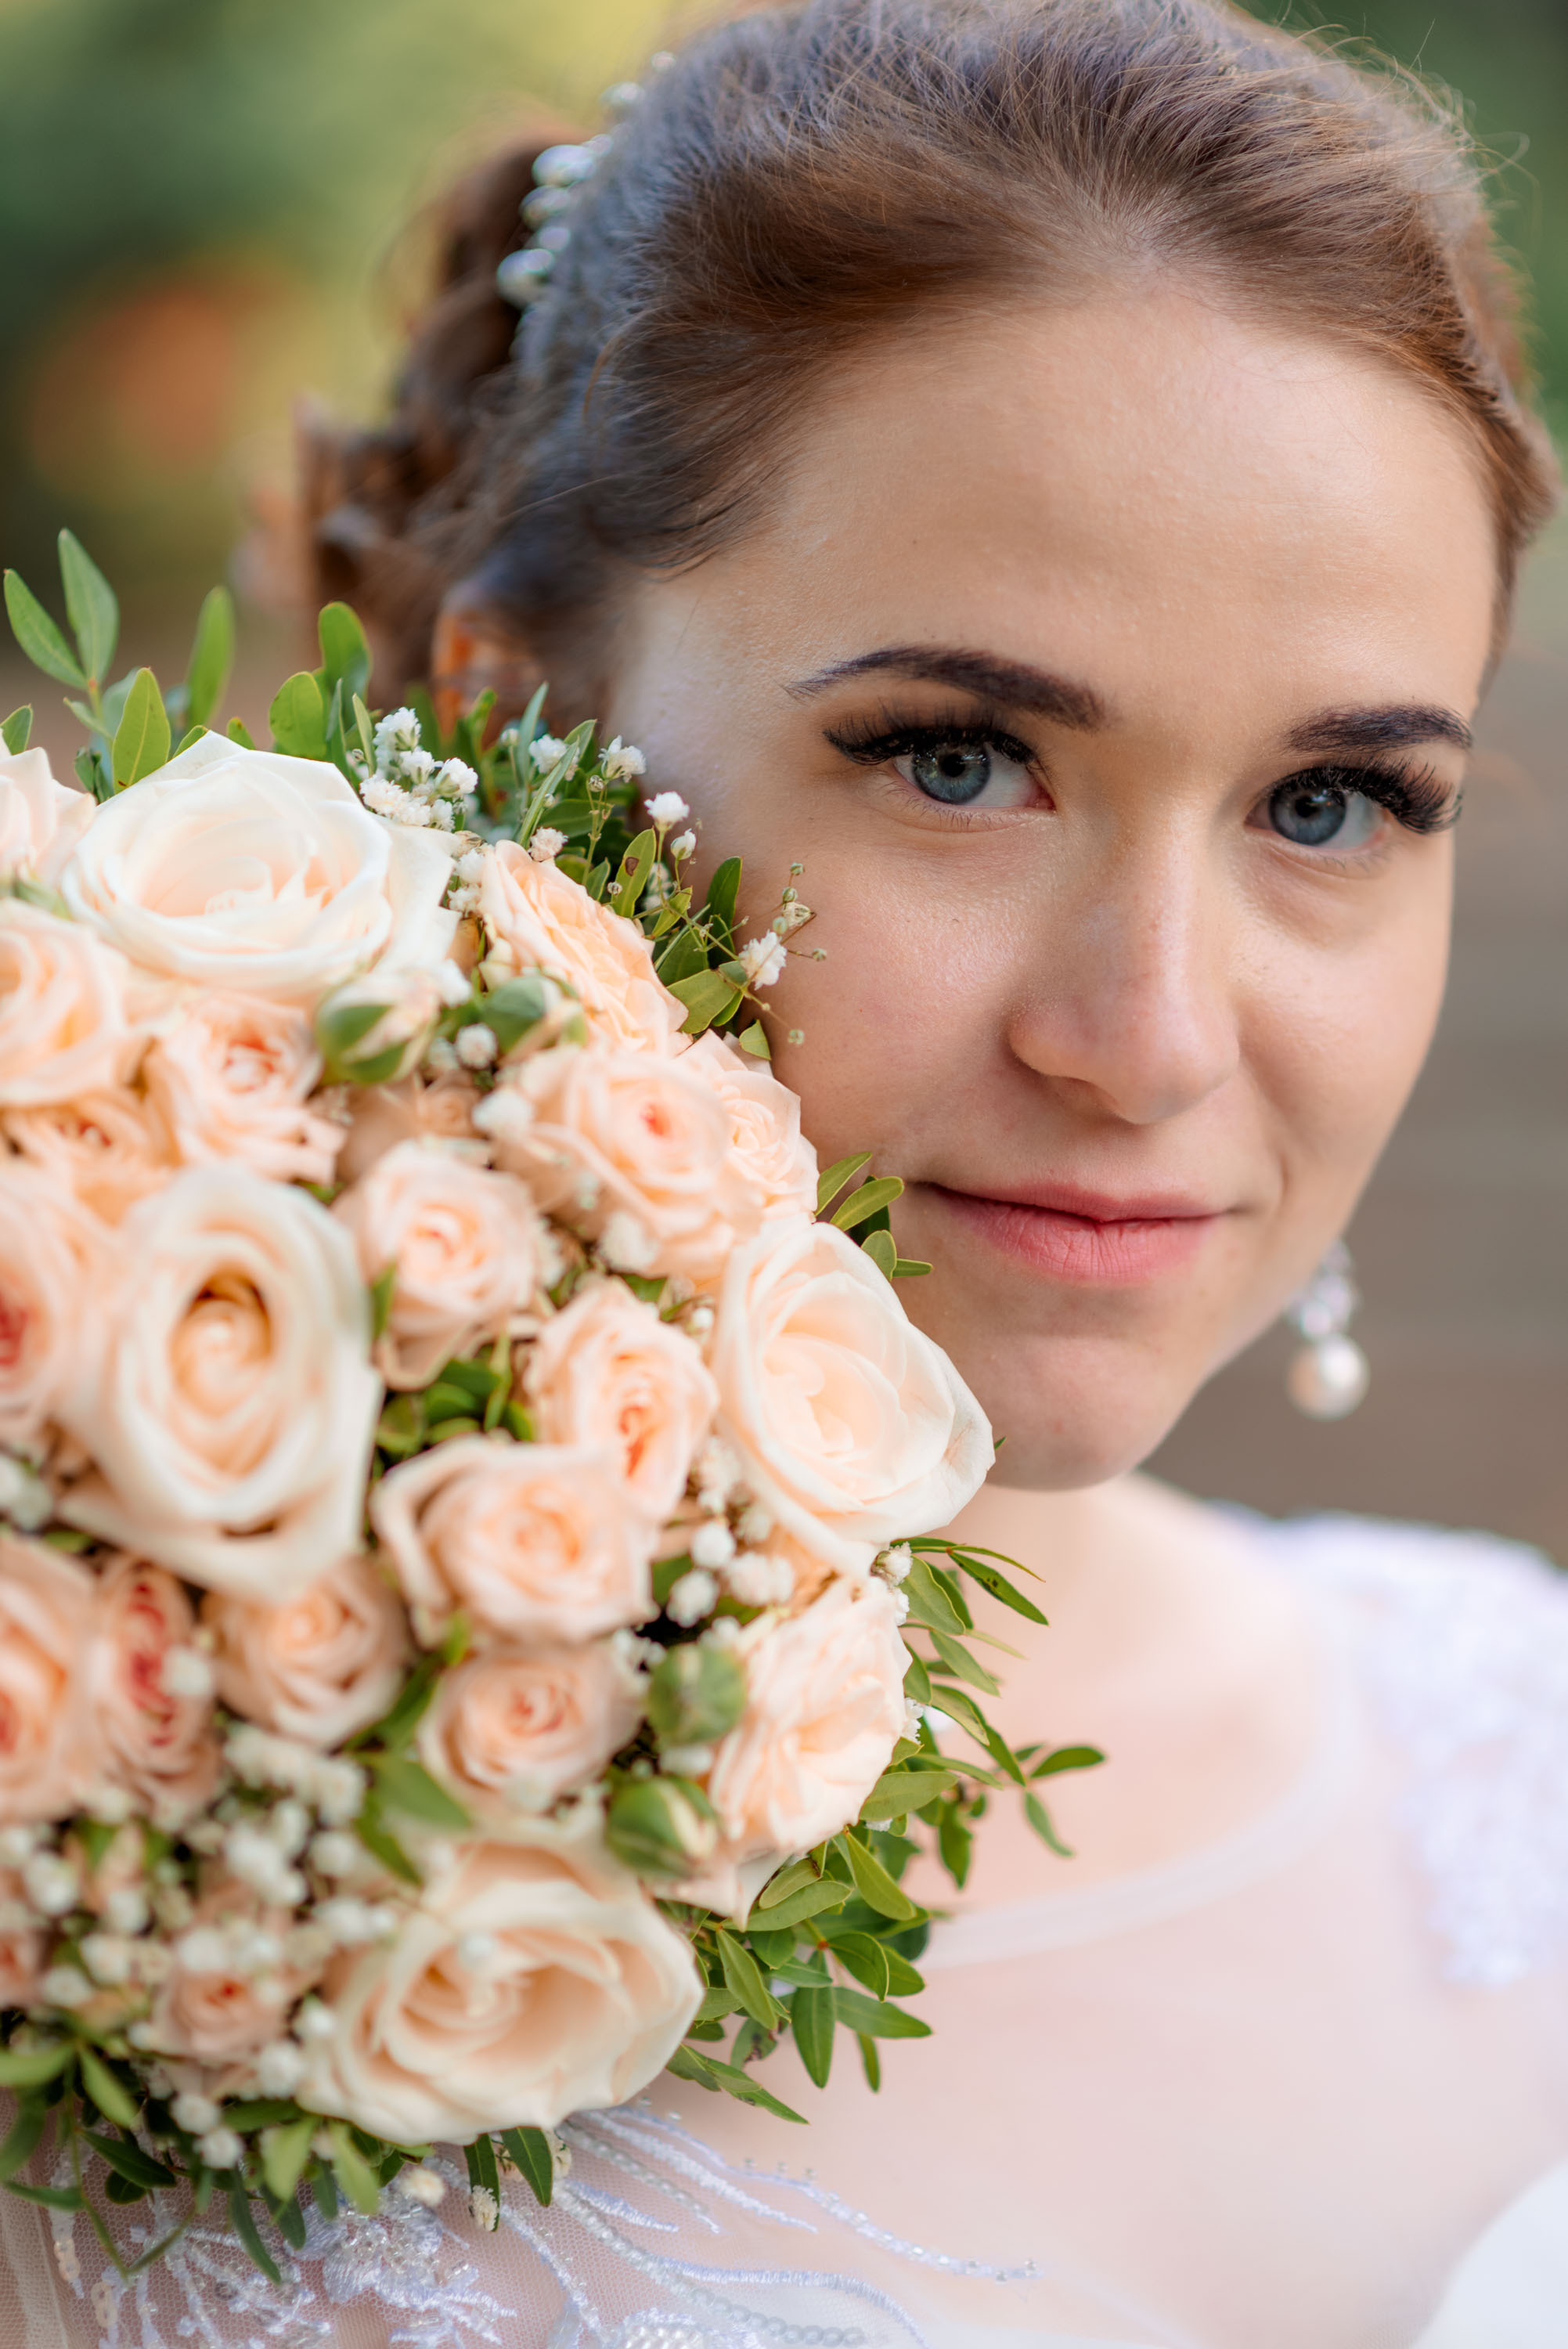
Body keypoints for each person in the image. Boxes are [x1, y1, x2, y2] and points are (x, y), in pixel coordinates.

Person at [11, 1, 1561, 2344]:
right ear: (506, 718)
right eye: (957, 761)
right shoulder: (100, 1828)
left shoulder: (1520, 1752)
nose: (1150, 1036)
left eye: (1330, 803)